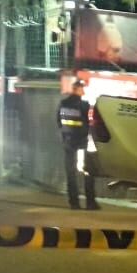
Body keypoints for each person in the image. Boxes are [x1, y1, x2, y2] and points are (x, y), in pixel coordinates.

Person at [58, 80, 99, 210]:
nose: (84, 91)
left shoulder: (62, 104)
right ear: (77, 89)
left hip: (68, 143)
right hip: (82, 143)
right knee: (88, 171)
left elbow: (59, 122)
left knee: (71, 173)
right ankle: (90, 202)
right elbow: (89, 124)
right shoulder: (84, 105)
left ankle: (74, 203)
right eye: (82, 88)